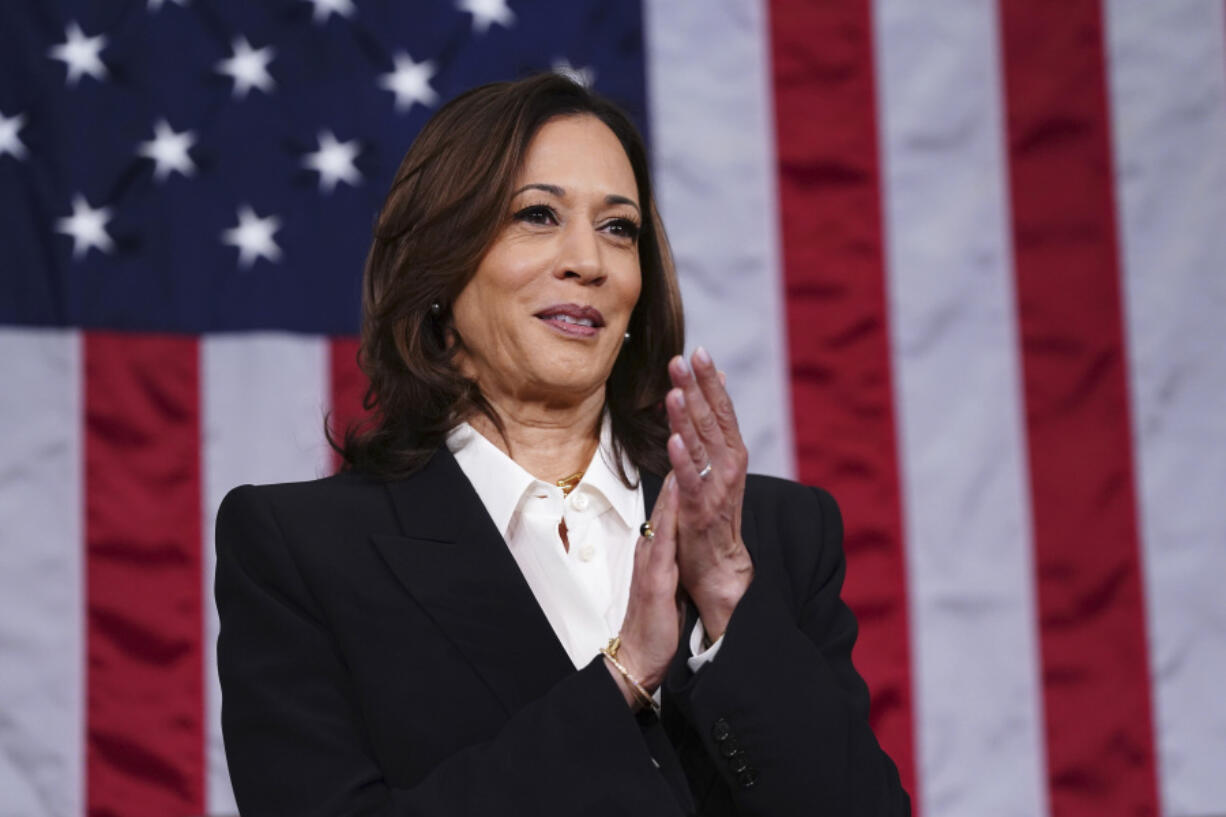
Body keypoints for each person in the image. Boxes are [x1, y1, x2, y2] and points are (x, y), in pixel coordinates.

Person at [215, 73, 910, 816]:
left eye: (619, 228)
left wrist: (730, 609)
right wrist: (622, 680)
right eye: (538, 215)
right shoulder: (302, 550)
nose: (590, 261)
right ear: (441, 265)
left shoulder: (773, 536)